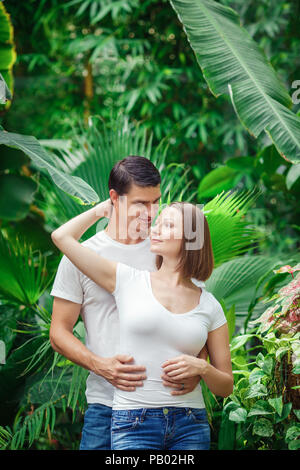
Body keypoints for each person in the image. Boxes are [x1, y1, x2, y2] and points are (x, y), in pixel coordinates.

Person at [51, 193, 233, 450]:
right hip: (134, 422)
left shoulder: (209, 304)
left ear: (191, 238)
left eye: (168, 225)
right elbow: (61, 238)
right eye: (158, 223)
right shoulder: (127, 280)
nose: (155, 228)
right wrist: (101, 211)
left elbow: (226, 386)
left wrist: (202, 369)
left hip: (190, 423)